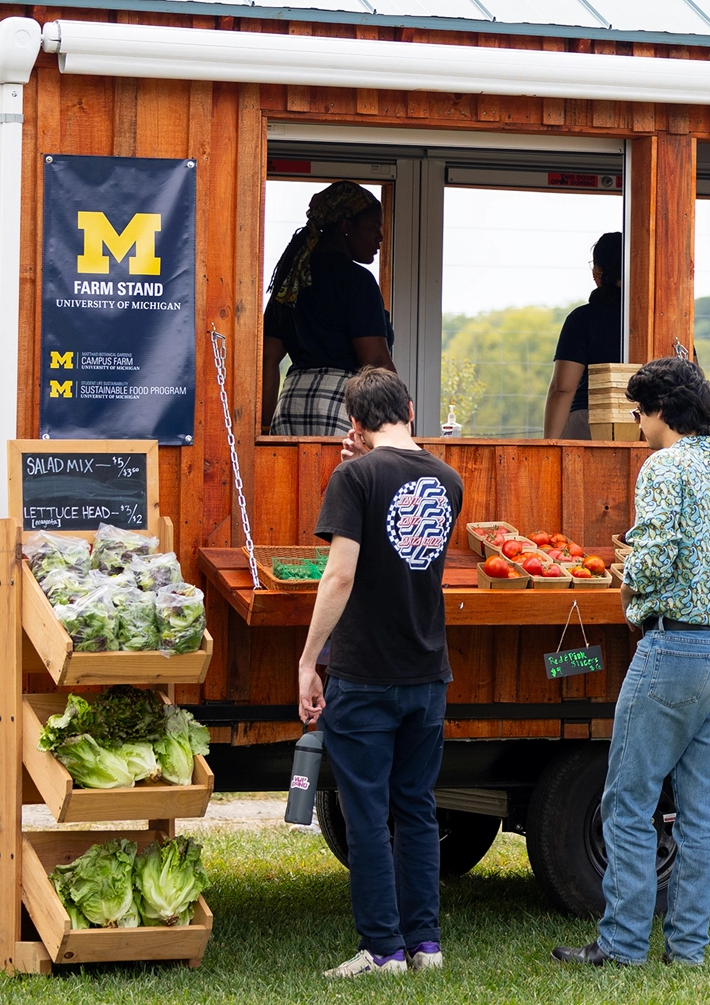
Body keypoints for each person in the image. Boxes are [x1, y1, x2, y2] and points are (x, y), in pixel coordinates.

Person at [552, 357, 710, 969]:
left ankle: (623, 947)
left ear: (661, 412)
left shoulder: (662, 468)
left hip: (671, 650)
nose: (636, 424)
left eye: (637, 411)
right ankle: (688, 951)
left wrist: (631, 584)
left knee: (626, 803)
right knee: (702, 814)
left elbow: (650, 563)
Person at [297, 367, 464, 979]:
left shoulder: (354, 475)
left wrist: (308, 658)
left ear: (357, 423)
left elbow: (340, 576)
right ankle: (426, 945)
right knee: (416, 808)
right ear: (412, 410)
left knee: (366, 814)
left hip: (365, 671)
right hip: (427, 669)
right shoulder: (448, 479)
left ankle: (383, 950)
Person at [263, 181, 396, 436]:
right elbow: (375, 361)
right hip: (340, 403)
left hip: (290, 403)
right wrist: (399, 419)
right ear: (345, 226)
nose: (380, 236)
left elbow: (269, 358)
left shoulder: (291, 278)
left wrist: (263, 428)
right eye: (372, 227)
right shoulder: (357, 280)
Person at [543, 231, 624, 439]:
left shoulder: (582, 319)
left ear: (598, 271)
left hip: (588, 421)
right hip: (652, 424)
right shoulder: (661, 320)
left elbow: (562, 389)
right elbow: (693, 376)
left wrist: (548, 449)